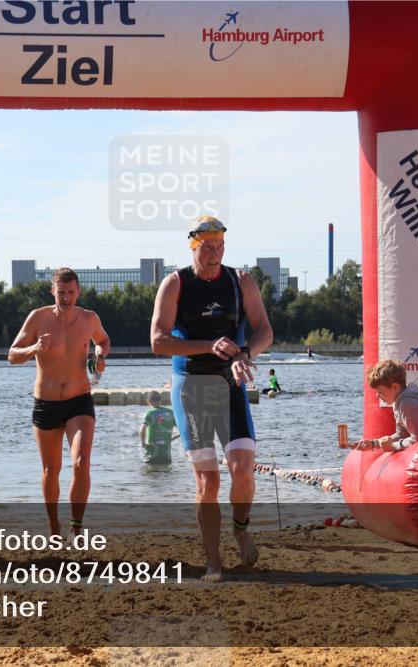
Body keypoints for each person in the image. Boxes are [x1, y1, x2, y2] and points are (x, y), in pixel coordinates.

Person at [150, 215, 274, 582]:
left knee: (242, 471)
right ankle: (213, 560)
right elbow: (158, 341)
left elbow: (265, 331)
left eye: (219, 247)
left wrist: (245, 354)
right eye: (207, 248)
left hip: (231, 385)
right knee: (208, 482)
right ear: (193, 247)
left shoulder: (241, 281)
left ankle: (241, 527)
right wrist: (209, 345)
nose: (214, 254)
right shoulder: (175, 284)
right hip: (192, 389)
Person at [8, 267, 111, 537]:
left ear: (78, 292)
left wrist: (100, 355)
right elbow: (12, 355)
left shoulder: (89, 318)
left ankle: (77, 526)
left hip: (79, 401)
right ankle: (54, 525)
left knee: (81, 462)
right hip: (46, 403)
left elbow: (103, 340)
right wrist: (34, 348)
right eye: (61, 293)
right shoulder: (38, 317)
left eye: (71, 293)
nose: (66, 298)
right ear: (52, 291)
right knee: (50, 469)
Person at [139, 391, 175, 465]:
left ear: (148, 401)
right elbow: (182, 429)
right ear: (160, 400)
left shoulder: (150, 413)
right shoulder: (171, 412)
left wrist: (143, 442)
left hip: (152, 455)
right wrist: (172, 438)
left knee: (149, 470)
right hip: (166, 456)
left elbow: (142, 430)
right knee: (166, 471)